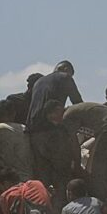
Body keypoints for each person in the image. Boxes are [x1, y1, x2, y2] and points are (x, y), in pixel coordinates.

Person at [25, 60, 82, 193]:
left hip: (33, 133)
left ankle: (44, 204)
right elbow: (78, 104)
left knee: (42, 177)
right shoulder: (65, 77)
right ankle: (62, 203)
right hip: (52, 131)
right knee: (62, 173)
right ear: (65, 69)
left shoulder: (39, 82)